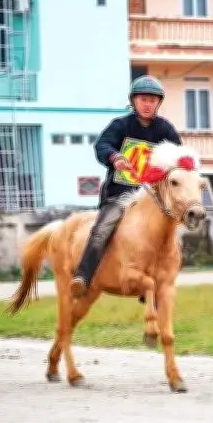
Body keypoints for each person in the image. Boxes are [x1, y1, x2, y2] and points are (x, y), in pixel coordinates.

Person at [70, 75, 183, 298]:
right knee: (102, 229)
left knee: (171, 236)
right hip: (119, 195)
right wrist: (114, 156)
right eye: (143, 99)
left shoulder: (165, 130)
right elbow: (102, 144)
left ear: (158, 103)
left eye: (152, 100)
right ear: (134, 101)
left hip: (151, 199)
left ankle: (156, 282)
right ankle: (83, 276)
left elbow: (178, 156)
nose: (148, 104)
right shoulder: (120, 125)